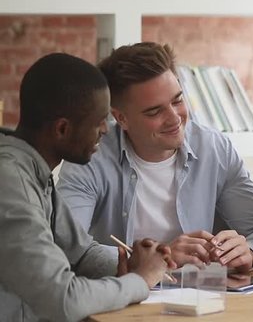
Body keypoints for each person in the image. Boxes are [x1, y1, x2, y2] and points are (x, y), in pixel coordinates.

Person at [56, 42, 253, 273]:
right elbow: (66, 247)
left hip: (202, 296)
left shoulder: (213, 148)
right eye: (155, 111)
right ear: (121, 118)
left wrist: (250, 251)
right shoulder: (90, 158)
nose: (174, 118)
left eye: (177, 100)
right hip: (122, 297)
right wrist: (161, 257)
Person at [0, 53, 176, 322]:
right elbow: (63, 300)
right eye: (99, 121)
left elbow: (80, 254)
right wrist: (140, 281)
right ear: (62, 129)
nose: (106, 130)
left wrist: (136, 266)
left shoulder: (33, 171)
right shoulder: (11, 182)